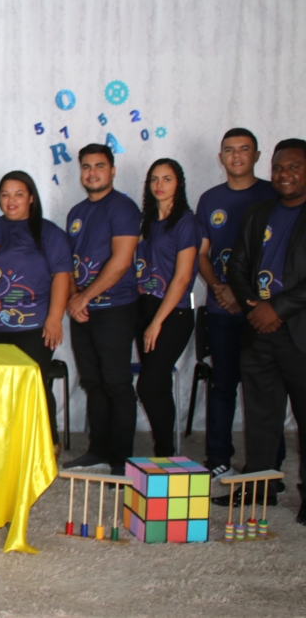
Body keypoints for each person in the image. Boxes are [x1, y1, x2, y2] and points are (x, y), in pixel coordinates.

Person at [224, 138, 306, 525]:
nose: (284, 174)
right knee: (260, 414)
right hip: (258, 329)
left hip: (298, 331)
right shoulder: (258, 213)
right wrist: (254, 307)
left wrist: (278, 308)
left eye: (294, 167)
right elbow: (236, 267)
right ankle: (259, 486)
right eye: (278, 167)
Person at [195, 128, 278, 481]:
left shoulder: (274, 193)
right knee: (223, 383)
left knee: (267, 388)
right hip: (222, 308)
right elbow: (202, 254)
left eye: (244, 149)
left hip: (264, 309)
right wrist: (218, 288)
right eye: (229, 150)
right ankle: (218, 457)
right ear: (221, 158)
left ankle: (270, 463)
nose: (237, 156)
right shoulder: (210, 199)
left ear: (257, 156)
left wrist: (245, 296)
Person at [62, 144, 142, 474]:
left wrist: (84, 298)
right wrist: (74, 299)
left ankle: (121, 459)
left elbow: (121, 262)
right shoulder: (76, 212)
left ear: (112, 170)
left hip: (115, 309)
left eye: (99, 166)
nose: (92, 172)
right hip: (83, 311)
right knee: (93, 382)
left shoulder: (123, 208)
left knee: (116, 383)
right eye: (86, 166)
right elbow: (67, 264)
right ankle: (98, 451)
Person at [0, 171, 72, 452]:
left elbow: (62, 276)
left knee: (34, 386)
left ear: (31, 197)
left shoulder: (48, 232)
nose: (11, 200)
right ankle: (2, 448)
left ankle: (49, 444)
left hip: (32, 327)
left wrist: (54, 318)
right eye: (5, 194)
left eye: (18, 194)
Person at [134, 158, 200, 458]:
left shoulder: (186, 222)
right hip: (145, 309)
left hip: (173, 314)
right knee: (157, 384)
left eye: (167, 179)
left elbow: (183, 277)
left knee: (148, 385)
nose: (159, 185)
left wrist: (157, 322)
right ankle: (166, 454)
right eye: (154, 179)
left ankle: (165, 452)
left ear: (179, 183)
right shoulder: (147, 223)